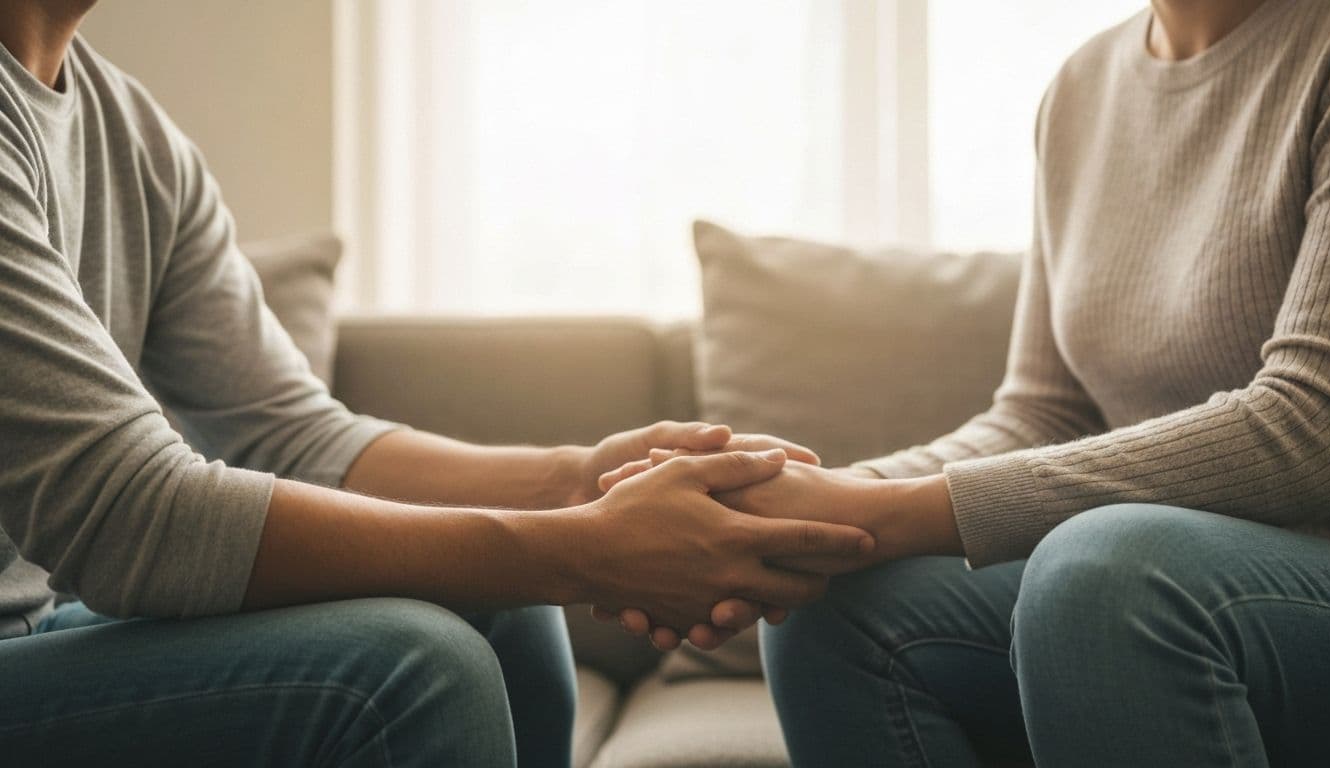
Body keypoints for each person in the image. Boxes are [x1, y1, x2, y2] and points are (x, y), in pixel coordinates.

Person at [0, 2, 877, 766]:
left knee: (507, 610)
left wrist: (585, 483)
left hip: (40, 632)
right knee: (413, 671)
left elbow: (295, 435)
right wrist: (584, 547)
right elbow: (127, 517)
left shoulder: (133, 134)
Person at [601, 0, 1330, 765]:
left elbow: (1318, 433)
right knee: (832, 602)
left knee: (1105, 574)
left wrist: (880, 512)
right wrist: (814, 505)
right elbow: (1042, 411)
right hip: (1179, 584)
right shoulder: (1084, 89)